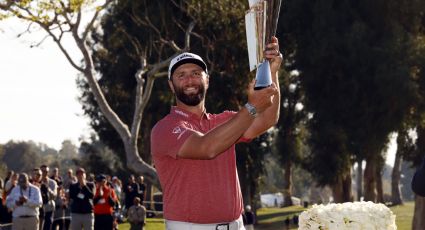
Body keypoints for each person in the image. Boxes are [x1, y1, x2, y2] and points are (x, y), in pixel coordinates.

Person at [151, 37, 281, 229]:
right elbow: (206, 147)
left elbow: (267, 119)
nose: (189, 80)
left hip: (236, 225)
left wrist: (271, 72)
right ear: (171, 85)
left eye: (196, 73)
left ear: (207, 80)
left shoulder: (226, 121)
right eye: (181, 75)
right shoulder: (165, 128)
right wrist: (252, 107)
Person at [40, 165, 58, 230]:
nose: (44, 173)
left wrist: (47, 188)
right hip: (38, 210)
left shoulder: (53, 182)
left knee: (47, 227)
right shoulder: (36, 182)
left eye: (46, 171)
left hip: (49, 209)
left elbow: (54, 196)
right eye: (42, 171)